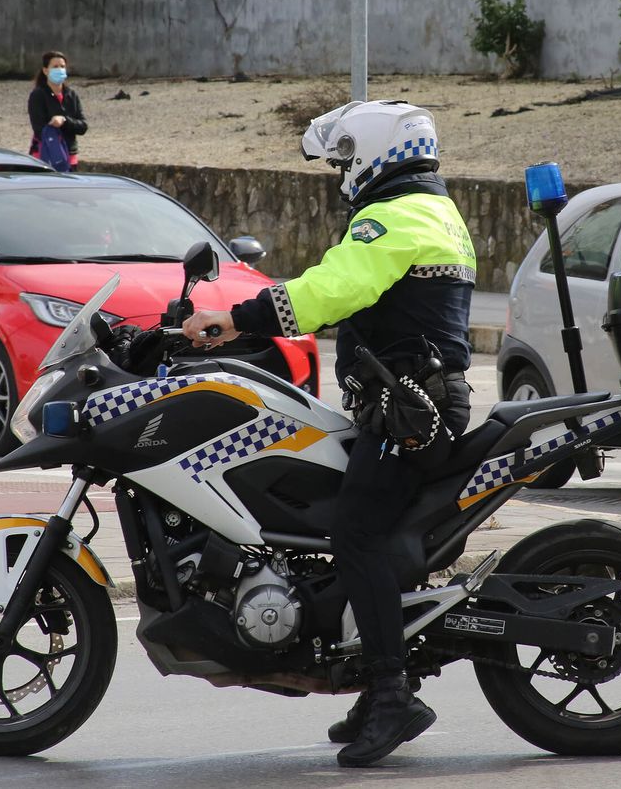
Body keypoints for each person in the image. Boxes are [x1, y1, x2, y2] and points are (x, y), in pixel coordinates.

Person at [182, 100, 476, 768]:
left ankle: (393, 696)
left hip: (410, 408)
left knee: (356, 534)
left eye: (345, 159)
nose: (341, 172)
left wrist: (236, 319)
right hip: (415, 399)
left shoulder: (393, 216)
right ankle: (378, 687)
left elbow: (328, 292)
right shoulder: (435, 209)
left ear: (377, 155)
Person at [27, 50, 87, 169]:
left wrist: (64, 121)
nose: (59, 70)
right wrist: (53, 124)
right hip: (46, 155)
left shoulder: (71, 95)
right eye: (55, 66)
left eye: (62, 67)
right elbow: (38, 128)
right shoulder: (38, 95)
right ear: (45, 70)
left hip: (69, 155)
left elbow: (82, 126)